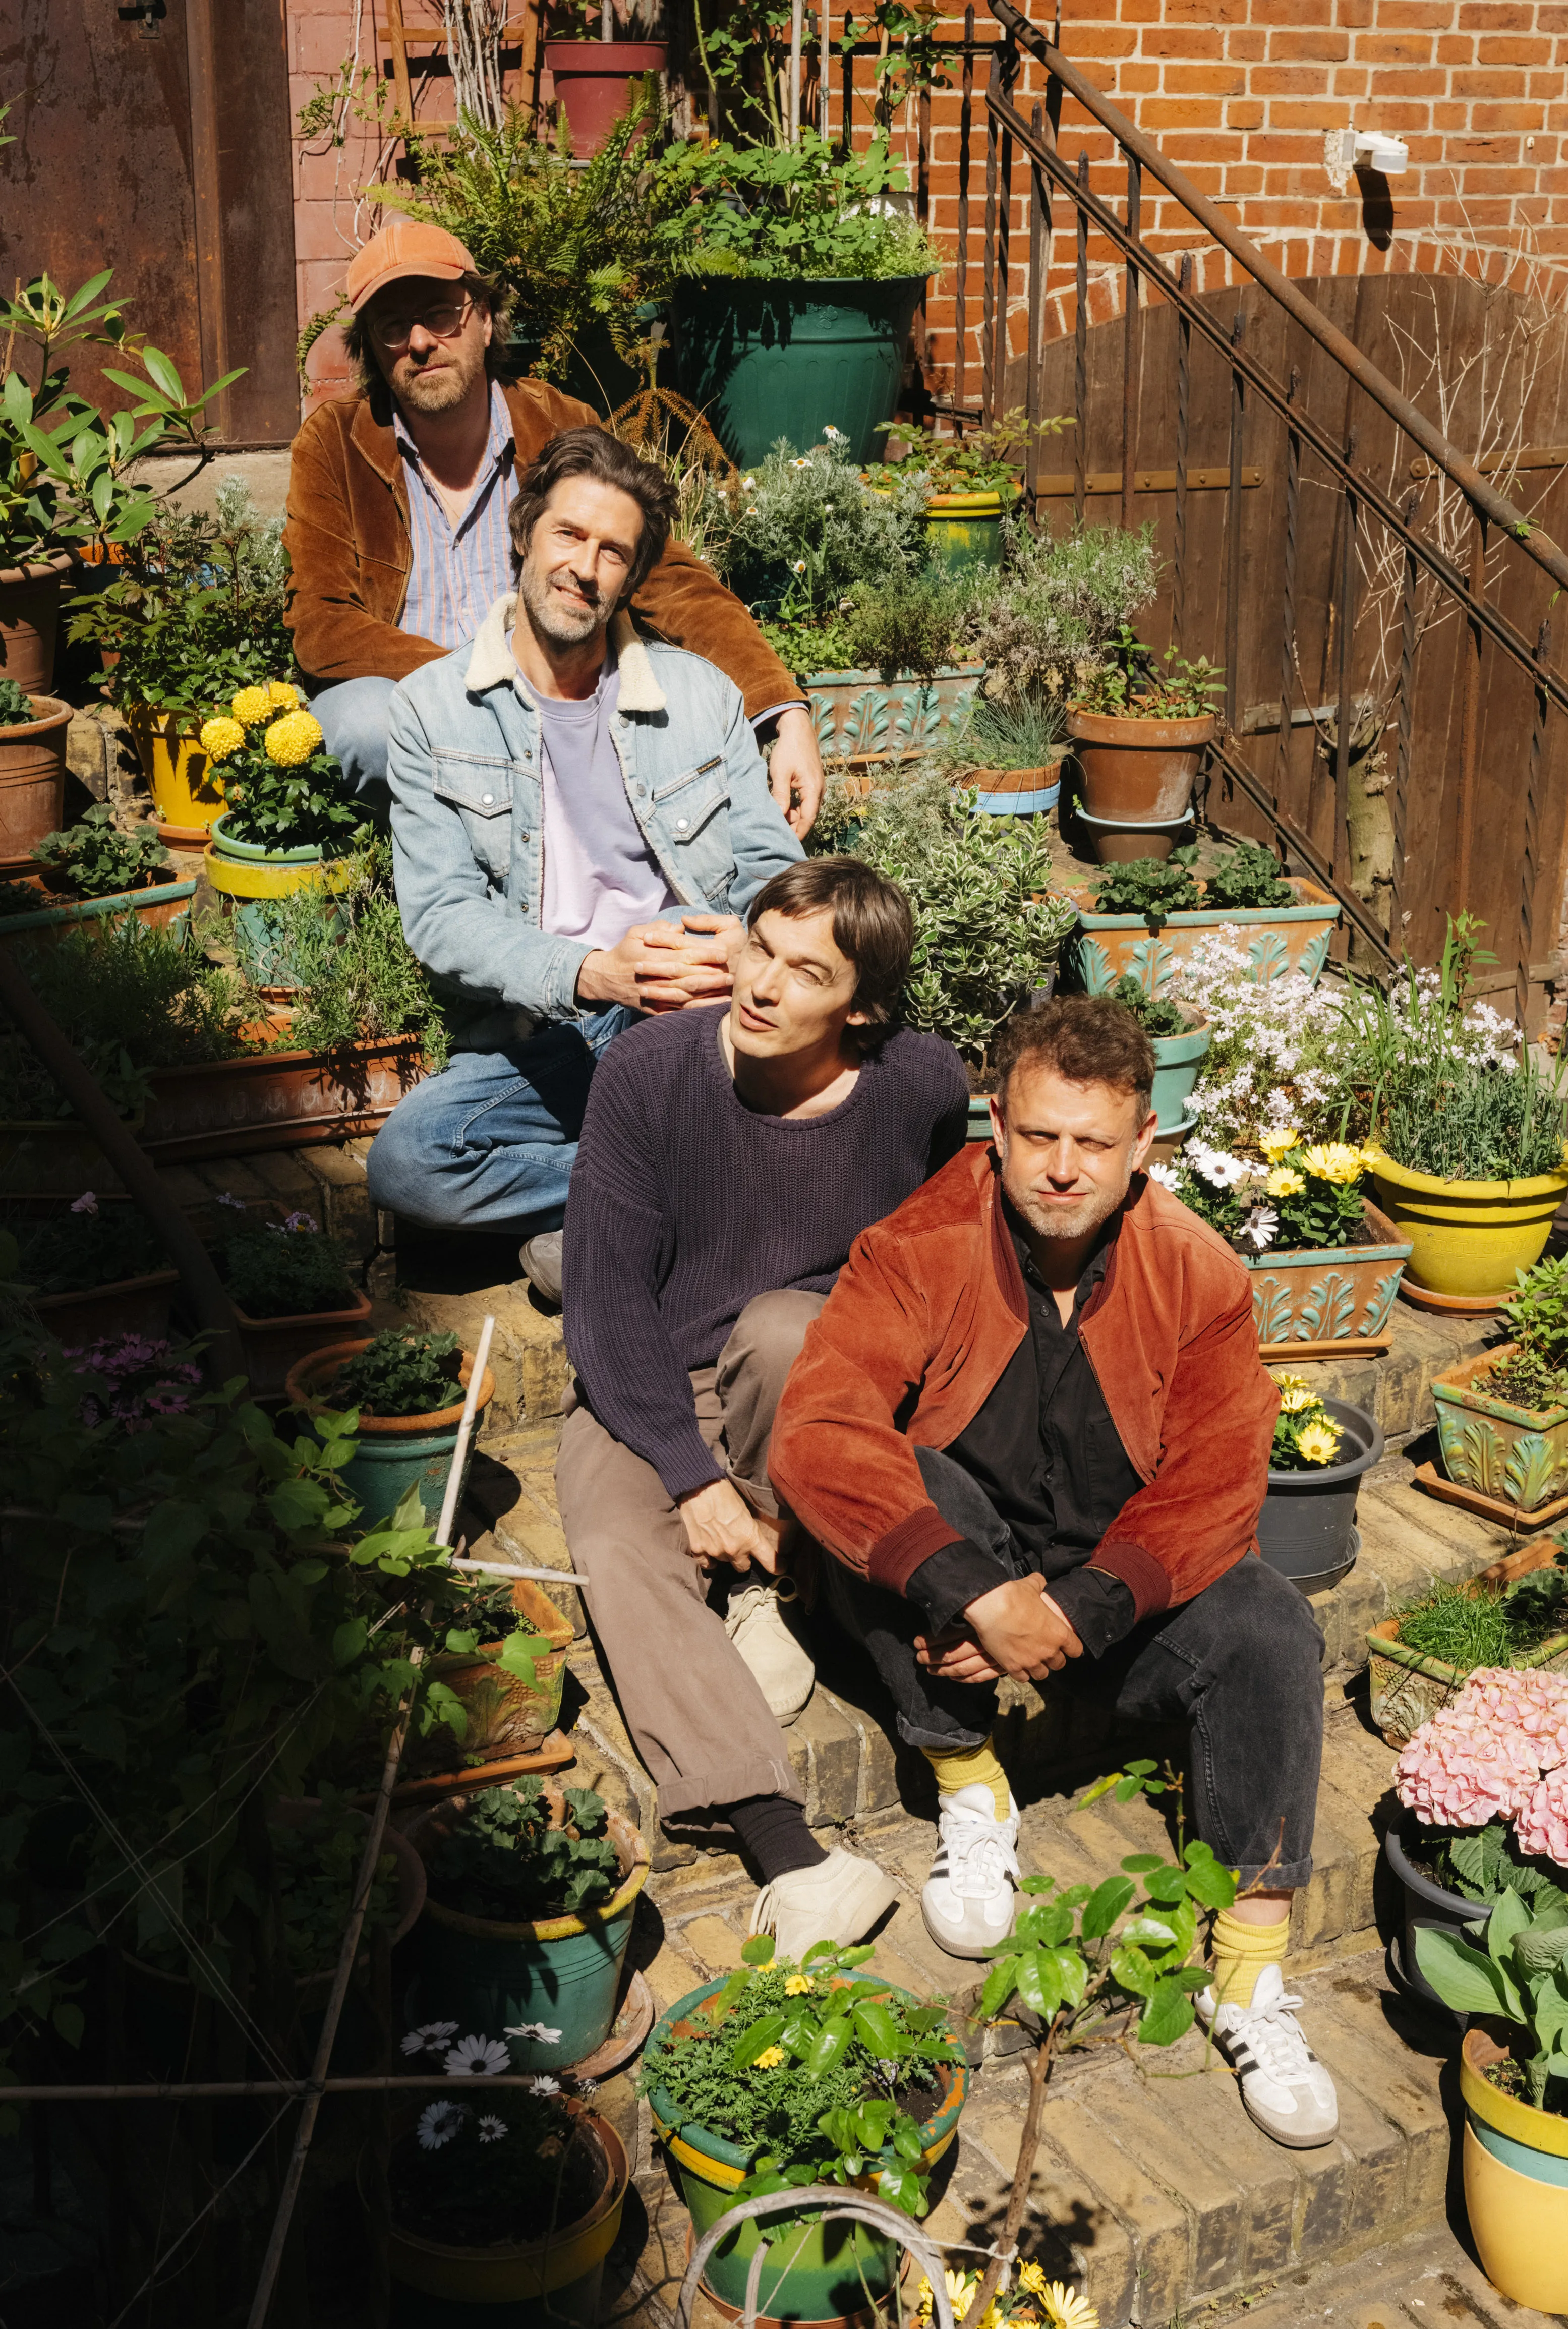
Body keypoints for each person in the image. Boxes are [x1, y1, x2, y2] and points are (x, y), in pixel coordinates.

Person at [768, 996, 1340, 2149]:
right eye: (1038, 1135)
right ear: (996, 1123)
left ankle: (1248, 1972)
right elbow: (818, 1429)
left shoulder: (1199, 1274)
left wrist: (1074, 1611)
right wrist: (977, 1593)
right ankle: (969, 1779)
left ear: (1143, 1144)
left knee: (1274, 1624)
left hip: (1110, 1594)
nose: (1063, 1167)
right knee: (900, 1492)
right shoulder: (919, 1244)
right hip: (960, 1601)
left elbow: (1218, 1480)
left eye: (1092, 1141)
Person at [553, 856, 968, 1956]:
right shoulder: (649, 1070)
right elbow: (604, 1304)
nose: (761, 984)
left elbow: (935, 1247)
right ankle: (792, 1853)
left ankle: (770, 1578)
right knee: (609, 1536)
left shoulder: (920, 1084)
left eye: (805, 972)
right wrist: (691, 1478)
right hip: (650, 1367)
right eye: (758, 947)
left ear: (861, 1008)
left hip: (805, 1373)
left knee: (790, 1327)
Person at [368, 423, 806, 1247]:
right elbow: (441, 918)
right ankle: (687, 1187)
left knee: (685, 932)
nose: (584, 567)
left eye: (613, 552)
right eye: (569, 534)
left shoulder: (701, 696)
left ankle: (609, 1223)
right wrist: (595, 972)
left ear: (631, 577)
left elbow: (779, 882)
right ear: (525, 533)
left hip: (685, 1014)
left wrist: (739, 945)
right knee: (410, 1163)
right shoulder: (431, 707)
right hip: (551, 1030)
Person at [283, 217, 823, 836]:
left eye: (440, 315)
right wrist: (478, 677)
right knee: (361, 725)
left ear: (485, 319)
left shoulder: (558, 423)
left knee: (674, 703)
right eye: (392, 326)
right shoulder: (335, 443)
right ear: (373, 349)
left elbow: (666, 576)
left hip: (559, 702)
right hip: (421, 706)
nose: (420, 342)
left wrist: (781, 711)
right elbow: (322, 623)